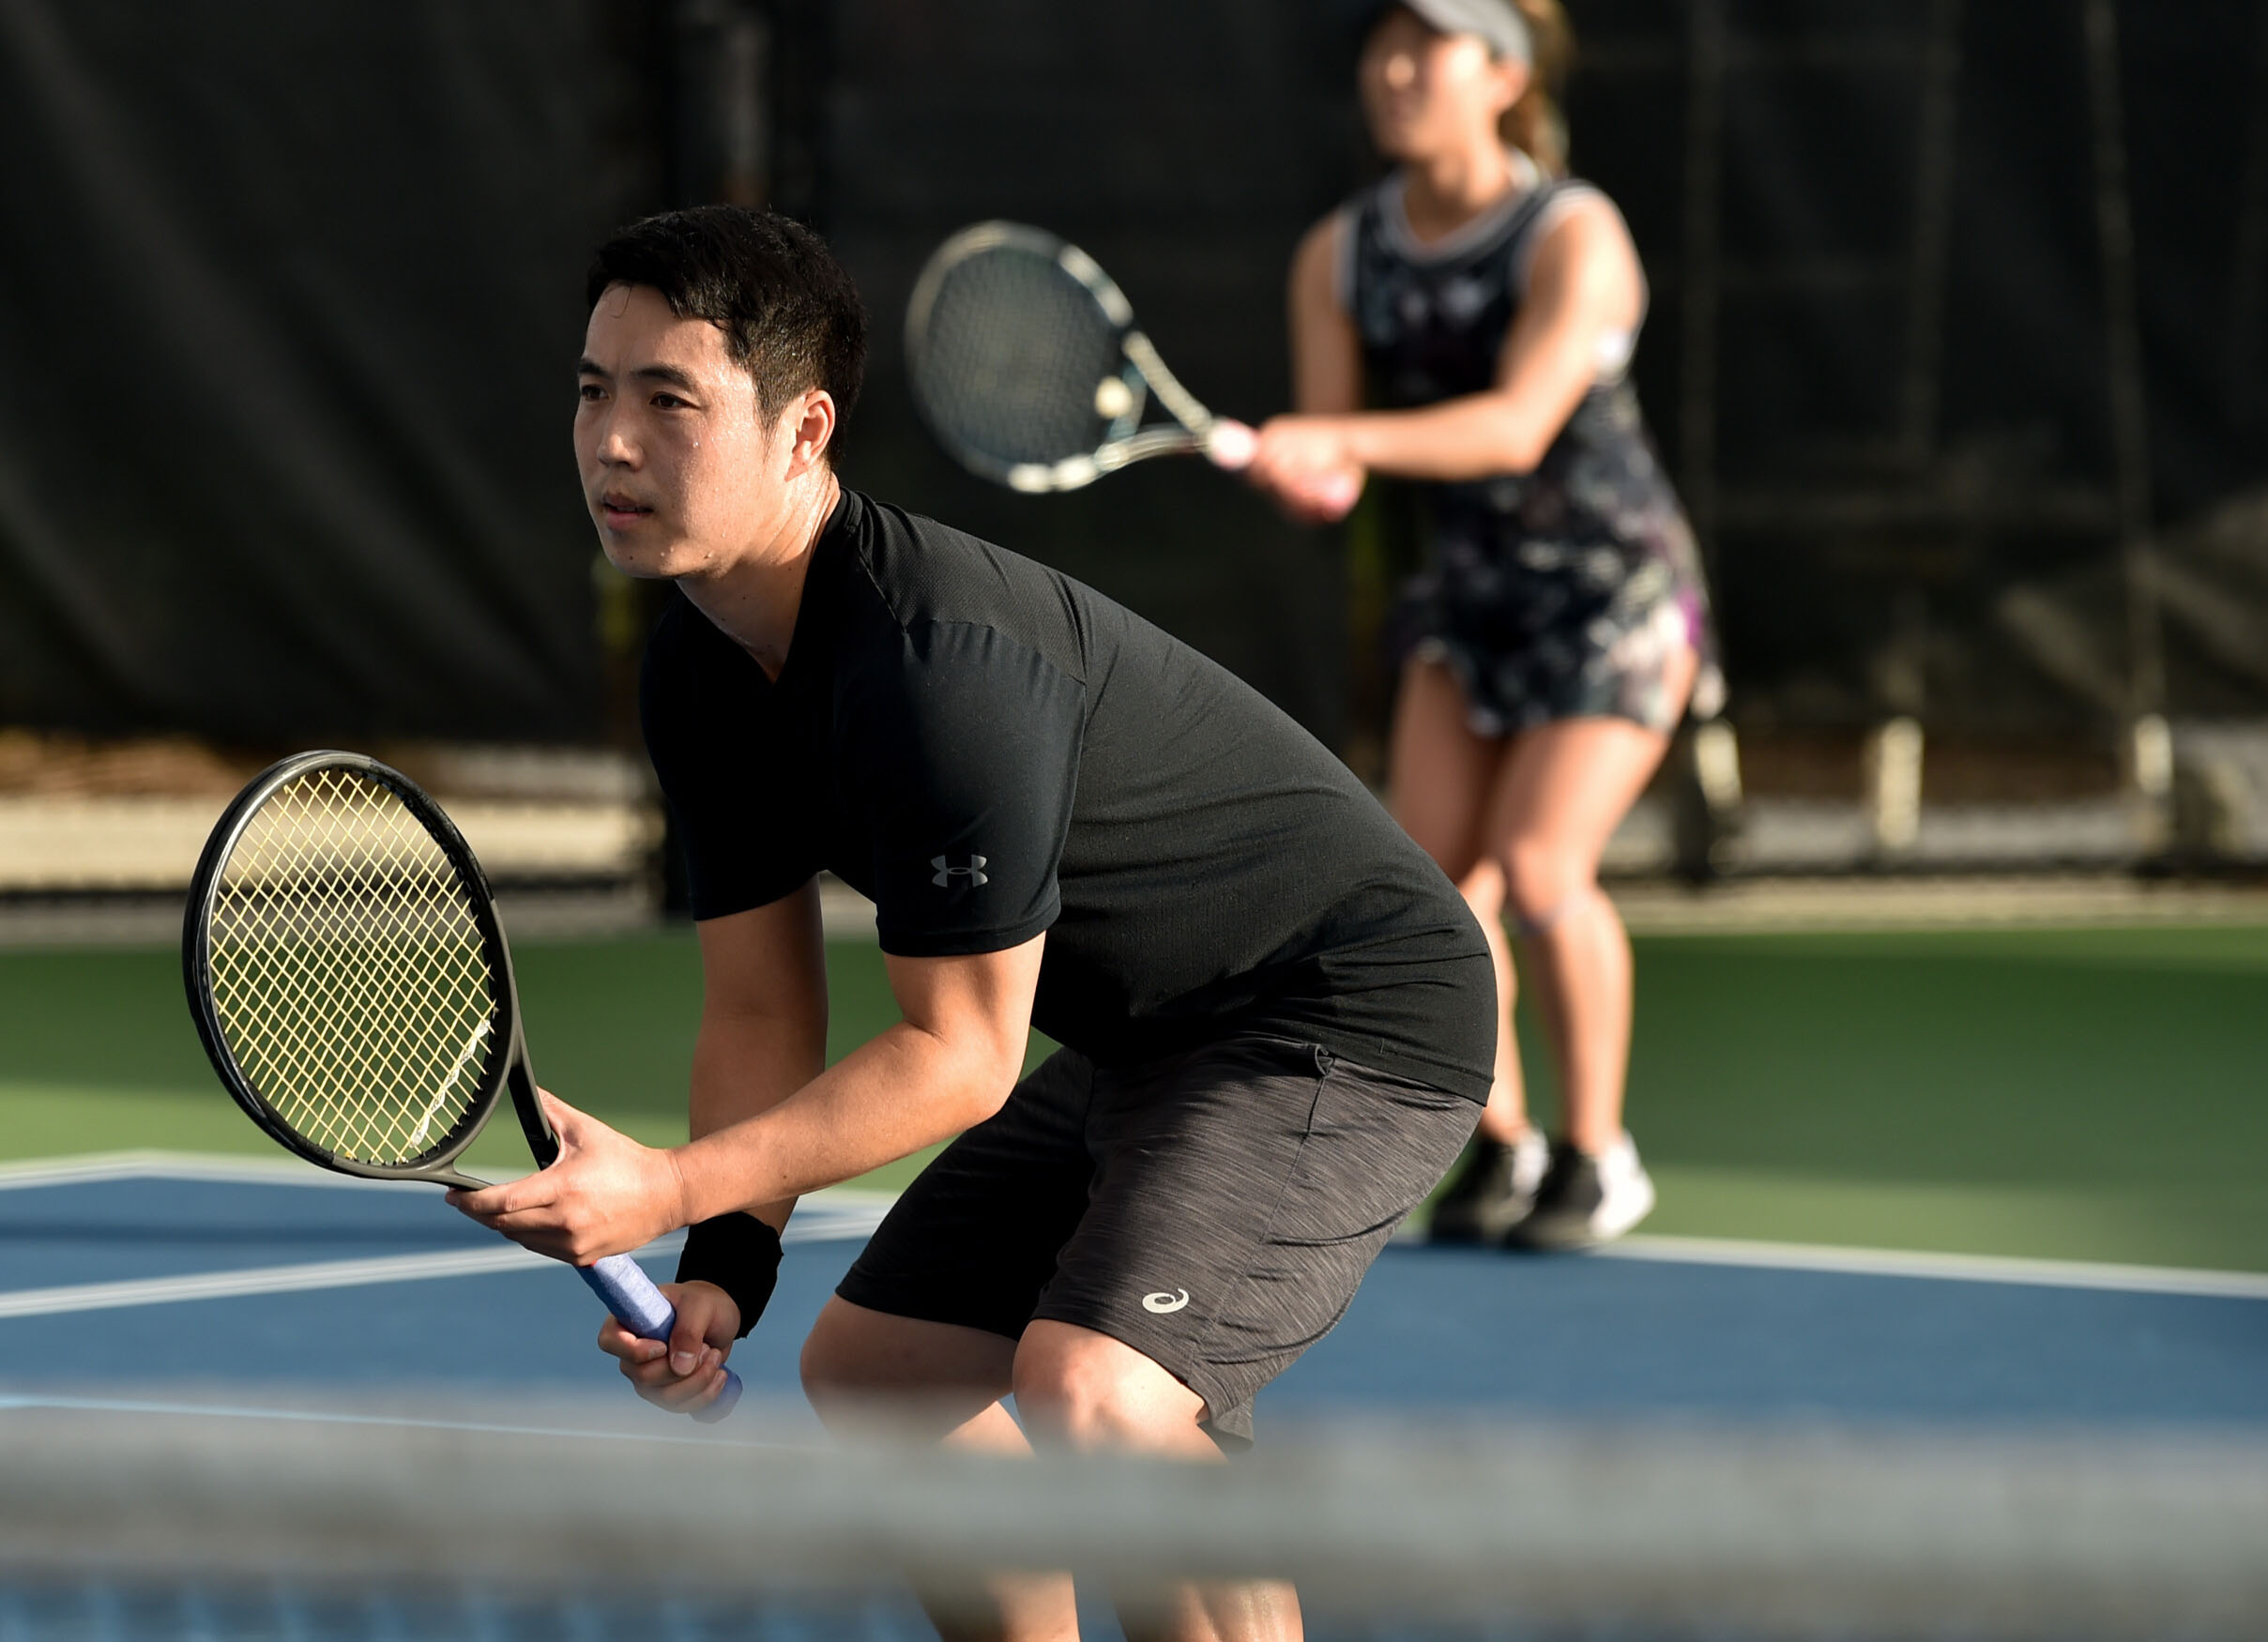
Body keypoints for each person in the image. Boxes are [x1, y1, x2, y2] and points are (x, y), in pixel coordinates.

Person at [448, 205, 1495, 1642]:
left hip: (1344, 1018)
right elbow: (761, 1011)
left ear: (803, 430)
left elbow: (962, 1057)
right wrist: (722, 1271)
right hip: (1157, 1037)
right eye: (592, 391)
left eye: (667, 400)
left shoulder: (940, 666)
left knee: (1099, 1394)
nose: (611, 442)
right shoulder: (698, 666)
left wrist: (670, 1184)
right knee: (882, 1373)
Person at [1239, 0, 1721, 1251]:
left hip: (1615, 592)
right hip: (1464, 601)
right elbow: (1341, 468)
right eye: (1382, 44)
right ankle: (1498, 1145)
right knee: (1430, 897)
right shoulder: (1337, 256)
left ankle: (1598, 1156)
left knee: (1546, 867)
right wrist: (1310, 470)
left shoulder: (1576, 233)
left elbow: (1515, 425)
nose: (1395, 69)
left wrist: (1339, 440)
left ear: (1503, 74)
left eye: (1429, 45)